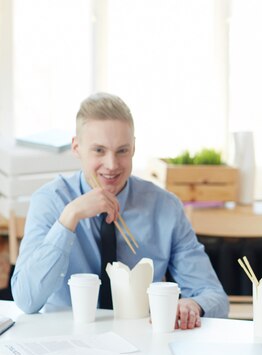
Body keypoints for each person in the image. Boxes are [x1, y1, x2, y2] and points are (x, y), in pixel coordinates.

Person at [12, 92, 229, 328]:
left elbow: (213, 295)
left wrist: (193, 305)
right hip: (65, 340)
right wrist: (69, 218)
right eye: (99, 150)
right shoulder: (50, 201)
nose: (112, 165)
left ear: (134, 147)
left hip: (142, 340)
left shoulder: (165, 207)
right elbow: (26, 300)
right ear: (77, 148)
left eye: (122, 151)